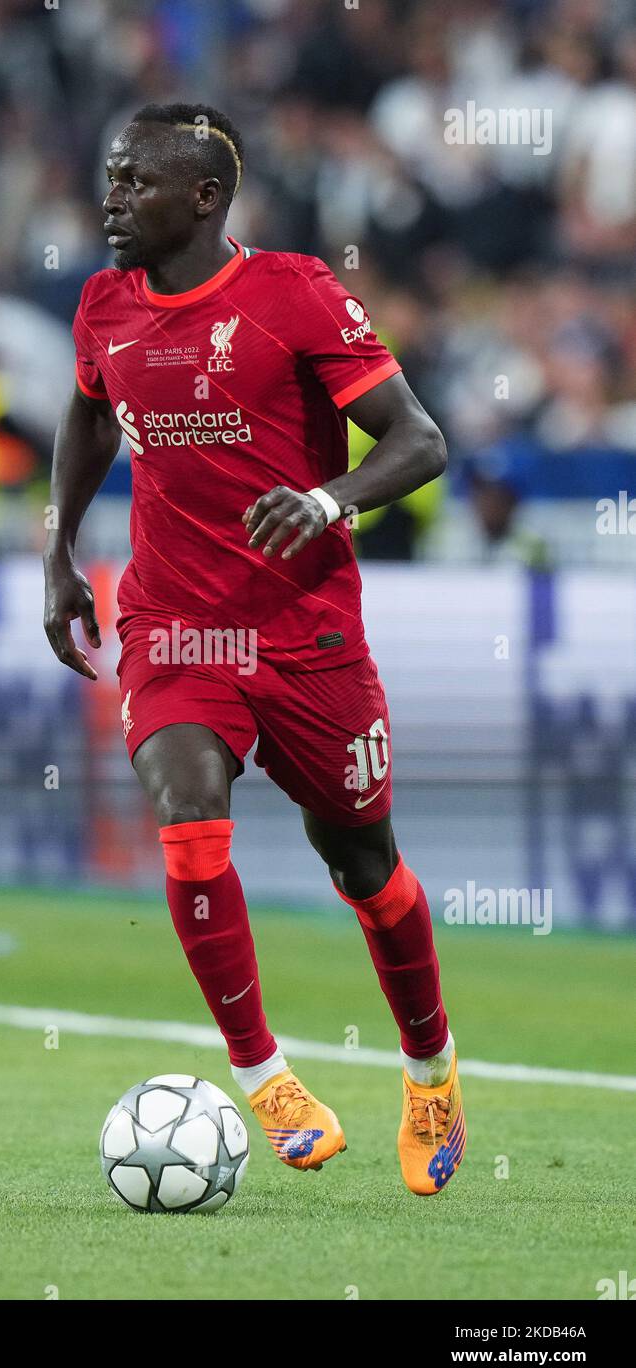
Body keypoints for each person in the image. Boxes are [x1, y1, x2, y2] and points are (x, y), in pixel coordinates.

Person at [44, 103, 464, 1195]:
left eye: (136, 182)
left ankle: (428, 1069)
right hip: (175, 623)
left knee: (362, 868)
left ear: (203, 198)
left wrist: (327, 499)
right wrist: (56, 551)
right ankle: (266, 1077)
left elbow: (418, 440)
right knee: (187, 821)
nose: (112, 199)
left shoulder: (292, 294)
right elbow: (88, 418)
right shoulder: (102, 305)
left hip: (305, 632)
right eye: (110, 177)